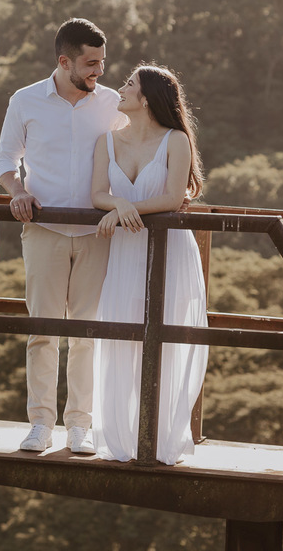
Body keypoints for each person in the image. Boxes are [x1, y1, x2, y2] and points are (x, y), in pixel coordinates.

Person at [0, 18, 127, 454]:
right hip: (44, 230)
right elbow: (5, 160)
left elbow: (140, 150)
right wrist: (17, 191)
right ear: (64, 61)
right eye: (90, 64)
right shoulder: (25, 100)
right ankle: (39, 425)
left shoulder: (112, 103)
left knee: (88, 333)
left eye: (102, 63)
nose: (99, 72)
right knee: (42, 333)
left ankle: (80, 427)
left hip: (98, 234)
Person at [91, 64, 208, 465]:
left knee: (166, 338)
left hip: (169, 252)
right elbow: (96, 195)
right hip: (126, 251)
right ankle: (123, 437)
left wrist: (124, 208)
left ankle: (159, 439)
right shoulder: (107, 141)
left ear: (146, 98)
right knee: (122, 335)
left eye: (128, 85)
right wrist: (119, 205)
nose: (120, 89)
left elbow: (174, 199)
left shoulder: (176, 141)